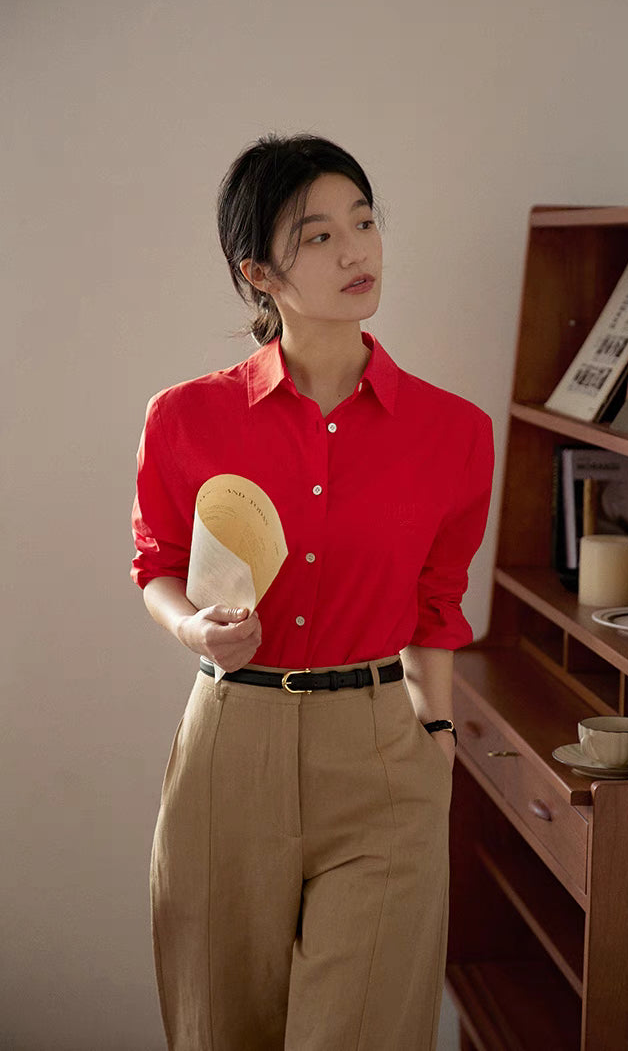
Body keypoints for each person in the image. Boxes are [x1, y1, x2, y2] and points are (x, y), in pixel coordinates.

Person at [131, 133, 494, 1051]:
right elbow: (157, 565)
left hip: (382, 750)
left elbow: (437, 606)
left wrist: (437, 740)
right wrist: (194, 630)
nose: (356, 251)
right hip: (231, 745)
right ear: (259, 273)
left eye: (363, 223)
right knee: (223, 1030)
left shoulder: (454, 432)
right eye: (319, 236)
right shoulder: (185, 417)